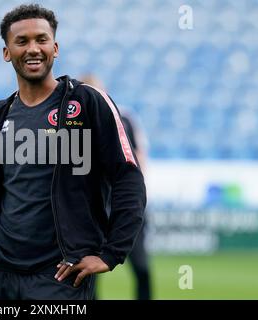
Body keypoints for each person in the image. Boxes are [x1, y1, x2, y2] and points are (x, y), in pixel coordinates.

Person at [0, 4, 146, 300]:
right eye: (22, 41)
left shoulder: (87, 103)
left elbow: (127, 177)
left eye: (41, 39)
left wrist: (111, 253)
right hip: (3, 275)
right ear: (6, 52)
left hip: (60, 274)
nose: (33, 48)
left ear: (55, 48)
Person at [80, 75, 152, 300]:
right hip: (94, 207)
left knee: (141, 266)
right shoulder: (75, 123)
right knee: (88, 272)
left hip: (124, 203)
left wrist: (135, 193)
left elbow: (139, 156)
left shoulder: (125, 118)